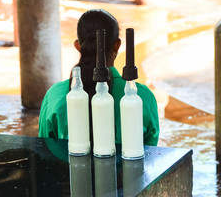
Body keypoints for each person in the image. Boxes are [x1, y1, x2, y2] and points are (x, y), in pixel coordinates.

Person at [38, 9, 159, 146]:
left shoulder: (55, 95)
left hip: (68, 167)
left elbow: (45, 149)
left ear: (78, 46)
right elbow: (150, 152)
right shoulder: (142, 97)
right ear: (117, 45)